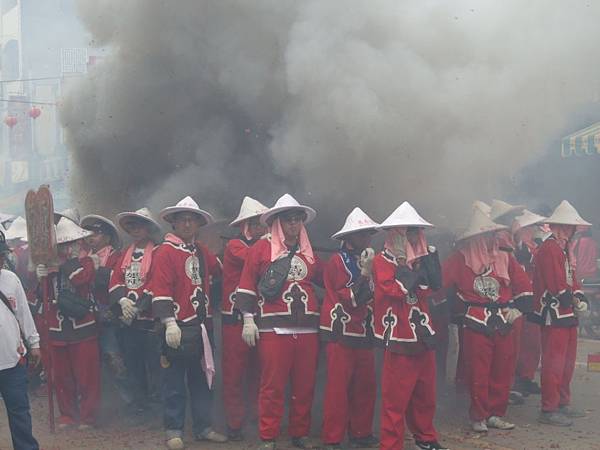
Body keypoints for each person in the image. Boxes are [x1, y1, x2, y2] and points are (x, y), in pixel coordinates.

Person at [235, 194, 323, 450]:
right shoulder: (262, 249)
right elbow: (247, 284)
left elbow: (322, 279)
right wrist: (248, 319)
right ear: (277, 223)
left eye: (298, 220)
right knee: (272, 385)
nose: (294, 225)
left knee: (304, 384)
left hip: (307, 328)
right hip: (274, 328)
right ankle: (268, 435)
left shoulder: (309, 253)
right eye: (288, 220)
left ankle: (300, 433)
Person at [441, 206, 532, 433]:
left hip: (504, 319)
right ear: (476, 237)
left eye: (493, 234)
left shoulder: (505, 256)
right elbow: (439, 286)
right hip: (476, 320)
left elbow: (524, 287)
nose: (492, 239)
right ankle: (478, 415)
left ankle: (495, 414)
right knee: (479, 372)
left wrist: (518, 310)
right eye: (487, 235)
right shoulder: (460, 258)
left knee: (502, 370)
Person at [150, 196, 227, 450]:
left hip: (201, 328)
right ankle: (174, 430)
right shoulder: (164, 251)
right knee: (173, 382)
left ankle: (203, 427)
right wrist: (169, 322)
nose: (186, 224)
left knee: (201, 380)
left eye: (191, 220)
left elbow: (220, 269)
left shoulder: (201, 251)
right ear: (173, 223)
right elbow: (160, 289)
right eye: (182, 220)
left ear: (197, 224)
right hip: (176, 327)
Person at [372, 202, 448, 450]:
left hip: (422, 334)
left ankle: (425, 439)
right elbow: (394, 290)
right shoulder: (382, 261)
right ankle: (391, 445)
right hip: (398, 337)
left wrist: (430, 260)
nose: (414, 237)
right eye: (409, 232)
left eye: (416, 232)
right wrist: (406, 265)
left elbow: (434, 286)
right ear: (395, 234)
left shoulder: (420, 260)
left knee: (425, 393)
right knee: (395, 400)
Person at [319, 207, 379, 450]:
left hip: (364, 331)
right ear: (349, 238)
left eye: (368, 234)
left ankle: (361, 433)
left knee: (365, 386)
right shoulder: (337, 262)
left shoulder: (372, 260)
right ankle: (332, 438)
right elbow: (351, 298)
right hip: (340, 331)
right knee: (337, 388)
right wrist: (366, 273)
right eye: (361, 234)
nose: (366, 239)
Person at [35, 217, 101, 429]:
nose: (66, 248)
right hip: (57, 328)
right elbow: (40, 295)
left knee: (87, 376)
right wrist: (40, 277)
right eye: (62, 244)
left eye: (70, 243)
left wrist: (66, 262)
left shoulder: (90, 262)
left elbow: (80, 279)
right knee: (62, 377)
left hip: (83, 327)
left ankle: (88, 416)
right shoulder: (48, 265)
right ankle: (67, 415)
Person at [532, 200, 591, 426]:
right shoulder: (549, 248)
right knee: (553, 362)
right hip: (554, 313)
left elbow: (570, 278)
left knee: (566, 362)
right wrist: (572, 299)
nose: (572, 230)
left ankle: (562, 402)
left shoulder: (562, 248)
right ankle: (549, 408)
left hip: (566, 313)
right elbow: (556, 284)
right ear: (560, 226)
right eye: (568, 226)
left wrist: (578, 296)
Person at [221, 196, 268, 440]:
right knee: (235, 373)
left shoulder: (263, 246)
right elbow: (256, 259)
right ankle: (235, 423)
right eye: (258, 223)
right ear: (247, 225)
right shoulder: (235, 246)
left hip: (260, 317)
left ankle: (256, 419)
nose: (263, 228)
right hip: (235, 319)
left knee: (258, 373)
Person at [109, 207, 162, 411]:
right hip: (128, 319)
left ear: (148, 229)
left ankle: (158, 401)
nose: (136, 230)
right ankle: (140, 402)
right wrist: (122, 301)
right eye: (132, 226)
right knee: (133, 362)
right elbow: (116, 279)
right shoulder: (124, 254)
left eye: (140, 226)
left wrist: (140, 307)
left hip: (150, 320)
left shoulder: (158, 252)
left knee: (155, 363)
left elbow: (158, 280)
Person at [0, 229, 41, 450]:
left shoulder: (10, 279)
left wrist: (34, 344)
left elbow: (24, 314)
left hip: (13, 361)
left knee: (20, 414)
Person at [511, 210, 547, 397]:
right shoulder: (515, 246)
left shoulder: (534, 245)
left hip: (532, 298)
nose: (535, 230)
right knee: (518, 342)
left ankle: (526, 377)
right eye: (531, 227)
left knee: (533, 341)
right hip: (517, 300)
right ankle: (516, 381)